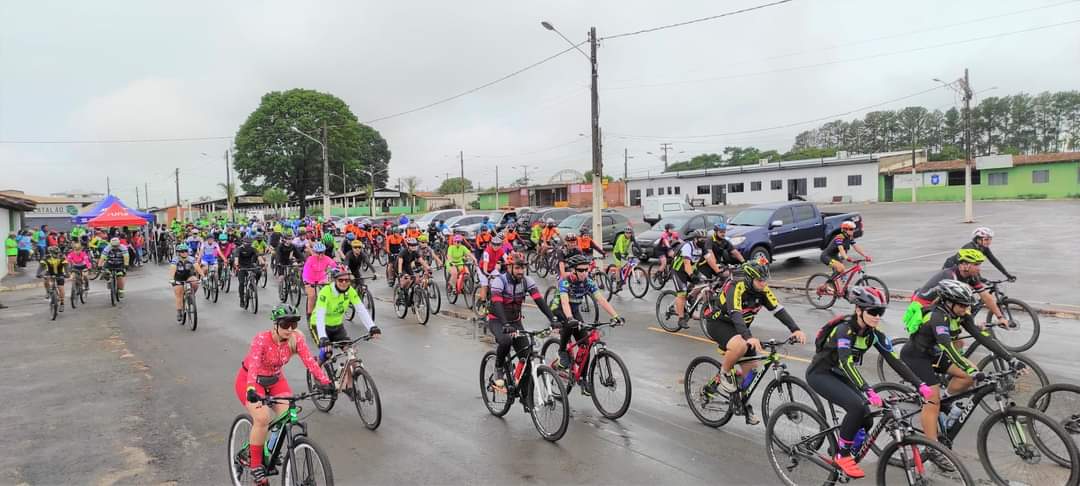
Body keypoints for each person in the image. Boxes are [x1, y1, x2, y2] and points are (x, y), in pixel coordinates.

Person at [807, 287, 933, 478]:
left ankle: (845, 445)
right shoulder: (844, 330)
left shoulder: (874, 334)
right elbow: (846, 362)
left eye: (880, 312)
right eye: (872, 312)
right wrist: (867, 389)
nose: (877, 316)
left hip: (839, 374)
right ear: (858, 310)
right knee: (857, 407)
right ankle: (842, 455)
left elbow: (894, 360)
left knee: (866, 416)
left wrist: (919, 384)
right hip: (820, 373)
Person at [900, 279, 1019, 469]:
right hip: (916, 358)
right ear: (949, 302)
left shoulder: (960, 313)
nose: (965, 309)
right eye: (962, 306)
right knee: (932, 401)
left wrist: (1010, 357)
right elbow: (948, 348)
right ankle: (932, 448)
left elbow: (981, 336)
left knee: (969, 377)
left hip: (934, 354)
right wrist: (972, 368)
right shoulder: (937, 317)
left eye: (967, 305)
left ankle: (945, 400)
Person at [235, 304, 333, 485]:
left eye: (293, 325)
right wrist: (250, 389)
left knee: (286, 414)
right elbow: (254, 366)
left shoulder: (296, 339)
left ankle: (270, 448)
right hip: (251, 380)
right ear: (276, 324)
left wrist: (325, 382)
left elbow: (310, 362)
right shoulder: (261, 339)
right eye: (285, 324)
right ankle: (256, 464)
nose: (289, 329)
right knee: (263, 418)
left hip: (275, 380)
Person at [702, 260, 806, 423]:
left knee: (751, 371)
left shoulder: (763, 290)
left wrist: (796, 329)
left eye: (765, 280)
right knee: (741, 344)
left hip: (740, 328)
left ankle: (741, 402)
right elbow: (736, 313)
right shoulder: (736, 287)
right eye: (760, 281)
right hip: (719, 323)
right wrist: (749, 337)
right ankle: (724, 374)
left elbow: (779, 310)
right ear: (750, 279)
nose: (764, 284)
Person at [487, 252, 557, 396]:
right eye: (517, 268)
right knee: (506, 340)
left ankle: (525, 397)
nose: (520, 271)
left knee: (526, 357)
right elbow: (497, 303)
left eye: (522, 268)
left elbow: (539, 300)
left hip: (515, 321)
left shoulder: (526, 281)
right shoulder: (499, 281)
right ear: (509, 268)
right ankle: (499, 368)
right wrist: (505, 324)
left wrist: (553, 319)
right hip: (498, 320)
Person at [551, 254, 623, 394]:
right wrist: (570, 318)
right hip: (559, 309)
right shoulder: (565, 281)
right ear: (573, 270)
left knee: (586, 345)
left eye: (586, 269)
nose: (585, 273)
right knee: (569, 324)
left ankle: (583, 379)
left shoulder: (588, 282)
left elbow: (601, 299)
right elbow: (565, 303)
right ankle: (562, 351)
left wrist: (616, 316)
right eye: (581, 270)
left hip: (575, 310)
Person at [903, 248, 1009, 333]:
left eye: (979, 264)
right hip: (925, 305)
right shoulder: (950, 277)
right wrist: (972, 325)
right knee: (950, 339)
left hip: (939, 304)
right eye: (976, 264)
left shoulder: (971, 276)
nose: (979, 268)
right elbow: (946, 306)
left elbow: (986, 296)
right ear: (964, 265)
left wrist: (1000, 317)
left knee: (958, 340)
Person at [310, 269, 381, 362]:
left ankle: (351, 374)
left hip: (337, 326)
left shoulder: (350, 291)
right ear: (334, 280)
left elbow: (361, 309)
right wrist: (323, 337)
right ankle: (316, 367)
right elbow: (320, 315)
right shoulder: (325, 292)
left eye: (347, 280)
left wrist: (372, 327)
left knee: (351, 352)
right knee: (327, 353)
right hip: (319, 325)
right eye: (340, 280)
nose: (344, 283)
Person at [671, 229, 711, 328]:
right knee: (682, 293)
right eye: (701, 239)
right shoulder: (687, 247)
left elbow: (710, 259)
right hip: (679, 271)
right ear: (695, 239)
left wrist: (718, 271)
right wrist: (692, 276)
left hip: (692, 269)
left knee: (705, 282)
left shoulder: (703, 248)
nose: (703, 241)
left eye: (705, 239)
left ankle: (689, 299)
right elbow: (686, 264)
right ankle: (681, 319)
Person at [942, 227, 1015, 281]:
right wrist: (979, 278)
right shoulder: (969, 248)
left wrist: (1007, 274)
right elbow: (971, 265)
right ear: (978, 239)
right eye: (986, 239)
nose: (989, 242)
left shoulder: (983, 247)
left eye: (990, 239)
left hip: (965, 269)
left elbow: (994, 261)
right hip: (951, 267)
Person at [302, 242, 335, 319]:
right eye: (318, 253)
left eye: (322, 253)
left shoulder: (326, 258)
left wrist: (338, 270)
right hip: (310, 279)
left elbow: (334, 266)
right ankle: (309, 315)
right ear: (314, 252)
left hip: (321, 279)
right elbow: (305, 271)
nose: (320, 255)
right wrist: (306, 282)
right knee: (312, 296)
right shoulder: (310, 259)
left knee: (329, 292)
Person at [395, 237, 430, 304]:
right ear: (408, 246)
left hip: (407, 266)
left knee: (414, 279)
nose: (414, 247)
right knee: (407, 279)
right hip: (400, 267)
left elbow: (421, 261)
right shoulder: (403, 252)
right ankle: (401, 291)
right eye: (412, 245)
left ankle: (408, 292)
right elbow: (400, 262)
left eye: (415, 245)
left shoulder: (415, 252)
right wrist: (400, 273)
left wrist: (428, 268)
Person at [169, 244, 200, 321]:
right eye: (182, 251)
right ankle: (179, 311)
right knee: (179, 294)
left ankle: (191, 296)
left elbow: (197, 267)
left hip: (188, 276)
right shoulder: (175, 260)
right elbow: (172, 269)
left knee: (195, 282)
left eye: (186, 251)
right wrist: (172, 279)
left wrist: (203, 276)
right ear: (179, 252)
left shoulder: (191, 259)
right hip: (178, 278)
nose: (184, 253)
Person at [37, 246, 68, 311]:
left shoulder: (62, 257)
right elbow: (41, 266)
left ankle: (62, 303)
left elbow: (66, 266)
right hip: (50, 272)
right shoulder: (46, 257)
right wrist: (38, 273)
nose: (56, 255)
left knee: (61, 288)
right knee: (46, 279)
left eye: (57, 253)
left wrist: (67, 274)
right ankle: (48, 291)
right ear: (50, 253)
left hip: (60, 273)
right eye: (54, 253)